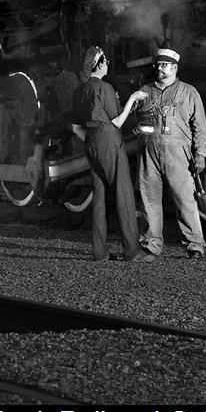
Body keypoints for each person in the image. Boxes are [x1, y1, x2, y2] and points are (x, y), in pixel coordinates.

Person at [119, 46, 206, 260]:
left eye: (164, 65)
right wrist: (132, 105)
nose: (160, 68)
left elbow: (201, 127)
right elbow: (132, 120)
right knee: (149, 199)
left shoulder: (189, 92)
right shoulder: (145, 91)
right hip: (149, 151)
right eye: (158, 65)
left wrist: (201, 154)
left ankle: (195, 244)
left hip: (178, 153)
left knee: (185, 200)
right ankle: (151, 244)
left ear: (175, 68)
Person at [70, 45, 141, 262]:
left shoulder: (80, 90)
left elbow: (76, 126)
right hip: (110, 143)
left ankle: (99, 252)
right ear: (98, 64)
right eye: (106, 61)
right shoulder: (105, 88)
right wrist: (133, 99)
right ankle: (132, 250)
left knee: (99, 198)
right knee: (124, 195)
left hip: (91, 144)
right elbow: (117, 121)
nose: (108, 65)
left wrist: (93, 139)